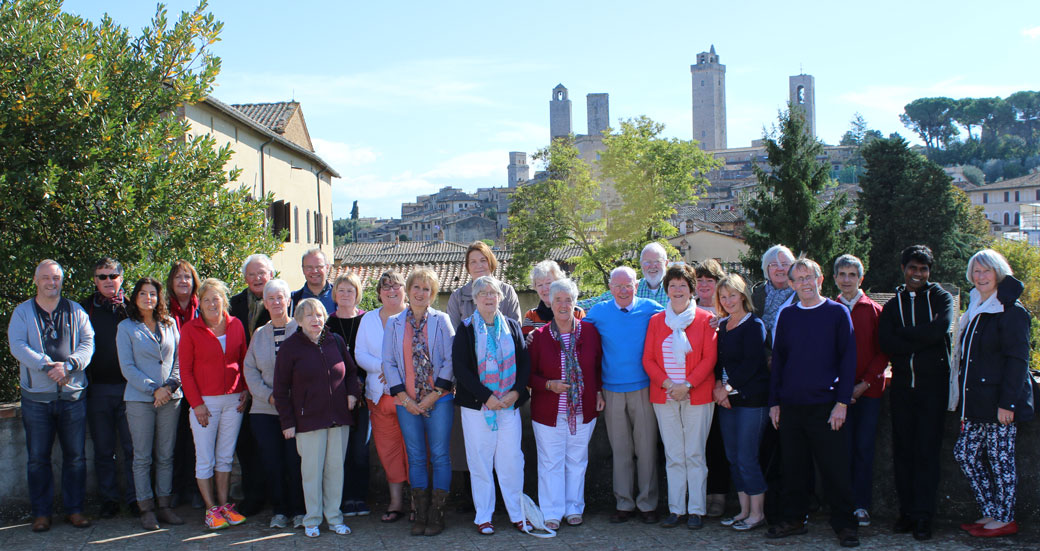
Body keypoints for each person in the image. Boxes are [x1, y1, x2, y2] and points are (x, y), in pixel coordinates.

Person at [766, 258, 859, 548]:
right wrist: (775, 402)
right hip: (792, 405)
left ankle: (845, 524)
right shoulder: (787, 315)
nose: (805, 283)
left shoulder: (837, 313)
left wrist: (842, 402)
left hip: (826, 405)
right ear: (791, 284)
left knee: (835, 469)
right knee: (794, 468)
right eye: (799, 278)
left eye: (810, 277)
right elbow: (779, 360)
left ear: (820, 280)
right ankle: (795, 519)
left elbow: (848, 360)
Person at [8, 260, 94, 532]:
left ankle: (75, 510)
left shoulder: (76, 310)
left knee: (76, 457)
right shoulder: (22, 312)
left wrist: (68, 365)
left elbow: (88, 343)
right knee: (37, 459)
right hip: (36, 398)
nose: (51, 282)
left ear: (61, 281)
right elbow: (17, 346)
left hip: (72, 397)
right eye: (45, 277)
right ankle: (41, 514)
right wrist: (47, 366)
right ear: (35, 280)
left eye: (56, 277)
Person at [954, 249, 1033, 538]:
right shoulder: (978, 304)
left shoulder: (1011, 310)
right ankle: (992, 510)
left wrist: (1007, 403)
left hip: (999, 403)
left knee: (1001, 461)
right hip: (976, 400)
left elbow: (1018, 361)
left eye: (986, 270)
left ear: (999, 273)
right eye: (976, 271)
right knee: (965, 454)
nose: (980, 276)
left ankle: (1005, 518)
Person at [878, 244, 954, 541]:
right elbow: (886, 343)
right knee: (904, 453)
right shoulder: (892, 304)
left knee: (927, 454)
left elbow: (941, 329)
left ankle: (924, 516)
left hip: (932, 389)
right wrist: (923, 336)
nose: (918, 274)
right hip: (902, 389)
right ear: (903, 269)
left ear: (929, 272)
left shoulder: (941, 298)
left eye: (923, 269)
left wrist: (905, 336)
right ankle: (906, 513)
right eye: (913, 268)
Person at [273, 298, 362, 538]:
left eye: (320, 314)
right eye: (310, 315)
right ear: (299, 320)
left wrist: (353, 393)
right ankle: (311, 519)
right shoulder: (291, 347)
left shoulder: (336, 341)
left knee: (336, 471)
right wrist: (287, 422)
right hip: (308, 420)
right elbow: (280, 389)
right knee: (311, 472)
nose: (316, 320)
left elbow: (351, 371)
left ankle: (334, 518)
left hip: (339, 419)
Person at [585, 266, 664, 524]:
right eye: (617, 286)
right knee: (620, 450)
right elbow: (573, 327)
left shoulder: (651, 307)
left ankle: (648, 504)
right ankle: (624, 503)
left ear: (636, 285)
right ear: (609, 288)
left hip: (643, 388)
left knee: (646, 450)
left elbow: (679, 315)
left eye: (627, 285)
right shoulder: (599, 312)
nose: (622, 290)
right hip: (611, 390)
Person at [453, 276, 531, 535]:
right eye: (483, 293)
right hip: (478, 407)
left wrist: (516, 392)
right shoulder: (466, 329)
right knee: (480, 462)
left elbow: (524, 363)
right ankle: (483, 517)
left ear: (500, 297)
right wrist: (486, 396)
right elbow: (461, 369)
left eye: (493, 293)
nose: (489, 297)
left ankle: (518, 514)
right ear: (475, 299)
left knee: (511, 460)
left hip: (508, 405)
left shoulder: (511, 326)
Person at [642, 264, 717, 529]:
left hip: (697, 394)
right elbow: (648, 359)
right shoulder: (655, 321)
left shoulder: (706, 320)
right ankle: (676, 509)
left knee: (695, 453)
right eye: (672, 285)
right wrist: (667, 384)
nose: (677, 290)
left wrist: (687, 384)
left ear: (691, 290)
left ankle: (696, 509)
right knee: (674, 454)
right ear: (667, 290)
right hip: (665, 396)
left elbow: (709, 358)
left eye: (682, 285)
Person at [445, 241, 520, 510]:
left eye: (483, 260)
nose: (479, 265)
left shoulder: (507, 291)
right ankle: (477, 504)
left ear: (492, 263)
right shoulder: (457, 297)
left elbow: (515, 334)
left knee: (508, 452)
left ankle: (506, 504)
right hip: (473, 387)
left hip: (506, 384)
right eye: (473, 261)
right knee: (475, 450)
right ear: (467, 267)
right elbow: (456, 340)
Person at [383, 267, 455, 536]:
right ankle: (420, 513)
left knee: (439, 455)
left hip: (440, 400)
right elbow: (388, 362)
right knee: (415, 457)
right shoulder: (394, 323)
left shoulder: (442, 321)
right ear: (408, 290)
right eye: (416, 287)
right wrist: (404, 397)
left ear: (433, 294)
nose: (421, 293)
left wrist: (434, 394)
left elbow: (450, 361)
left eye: (427, 289)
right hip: (406, 402)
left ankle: (437, 513)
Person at [529, 278, 604, 529]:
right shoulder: (538, 337)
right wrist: (549, 384)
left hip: (583, 410)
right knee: (550, 462)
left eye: (568, 299)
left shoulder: (590, 332)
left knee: (577, 460)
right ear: (550, 302)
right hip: (548, 411)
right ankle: (551, 511)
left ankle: (573, 508)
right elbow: (528, 375)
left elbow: (597, 367)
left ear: (575, 302)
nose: (563, 304)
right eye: (558, 299)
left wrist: (600, 392)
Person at [179, 278, 249, 530]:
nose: (211, 304)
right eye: (206, 299)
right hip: (205, 403)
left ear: (224, 301)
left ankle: (224, 506)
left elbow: (244, 361)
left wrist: (247, 389)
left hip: (233, 401)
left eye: (216, 298)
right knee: (205, 458)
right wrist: (196, 404)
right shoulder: (190, 329)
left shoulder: (236, 325)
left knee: (225, 457)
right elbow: (185, 371)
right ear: (200, 303)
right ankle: (211, 509)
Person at [116, 277, 184, 530]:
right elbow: (127, 367)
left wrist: (169, 387)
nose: (148, 298)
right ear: (135, 298)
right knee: (142, 457)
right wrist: (153, 389)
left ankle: (165, 505)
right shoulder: (126, 327)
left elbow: (180, 358)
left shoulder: (169, 324)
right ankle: (146, 508)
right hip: (139, 399)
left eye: (153, 294)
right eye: (143, 294)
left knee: (166, 455)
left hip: (170, 398)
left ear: (159, 298)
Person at [242, 279, 306, 529]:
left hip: (296, 411)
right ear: (265, 304)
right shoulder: (259, 335)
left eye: (281, 297)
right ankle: (280, 511)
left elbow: (309, 369)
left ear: (289, 301)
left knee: (296, 461)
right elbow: (249, 370)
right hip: (264, 410)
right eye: (272, 299)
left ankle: (300, 510)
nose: (277, 302)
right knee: (273, 462)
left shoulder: (301, 331)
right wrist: (269, 396)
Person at [833, 254, 888, 528]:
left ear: (861, 279)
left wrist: (863, 384)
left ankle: (861, 505)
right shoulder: (830, 309)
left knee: (864, 449)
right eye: (841, 274)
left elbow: (882, 353)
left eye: (851, 275)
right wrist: (842, 389)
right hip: (838, 394)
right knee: (840, 450)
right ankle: (842, 504)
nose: (846, 280)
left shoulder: (875, 311)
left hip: (869, 393)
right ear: (834, 278)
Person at [79, 257, 136, 518]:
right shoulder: (83, 309)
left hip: (130, 390)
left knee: (133, 450)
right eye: (102, 276)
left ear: (121, 278)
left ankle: (137, 499)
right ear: (95, 281)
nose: (108, 281)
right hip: (98, 390)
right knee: (103, 451)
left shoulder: (133, 307)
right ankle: (109, 500)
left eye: (112, 275)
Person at [712, 275, 769, 531]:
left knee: (747, 457)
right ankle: (744, 511)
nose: (728, 301)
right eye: (723, 297)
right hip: (727, 402)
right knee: (733, 457)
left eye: (732, 295)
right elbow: (718, 364)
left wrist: (727, 388)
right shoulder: (723, 326)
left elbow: (752, 364)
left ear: (743, 295)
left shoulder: (754, 325)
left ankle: (757, 514)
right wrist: (718, 387)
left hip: (750, 401)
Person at [354, 270, 410, 523]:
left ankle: (420, 501)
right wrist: (384, 367)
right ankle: (396, 502)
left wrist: (397, 372)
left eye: (396, 285)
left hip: (410, 397)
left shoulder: (414, 316)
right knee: (389, 451)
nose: (391, 290)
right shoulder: (368, 320)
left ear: (404, 290)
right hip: (379, 398)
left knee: (416, 449)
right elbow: (359, 354)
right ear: (378, 294)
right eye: (385, 287)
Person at [228, 254, 273, 517]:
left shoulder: (280, 301)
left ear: (271, 275)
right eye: (252, 274)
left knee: (273, 444)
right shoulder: (232, 304)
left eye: (263, 273)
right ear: (245, 278)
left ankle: (277, 495)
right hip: (240, 386)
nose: (258, 278)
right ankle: (253, 496)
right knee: (246, 445)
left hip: (271, 387)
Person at [324, 272, 371, 518]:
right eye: (340, 290)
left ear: (357, 294)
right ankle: (342, 498)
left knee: (360, 450)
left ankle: (360, 497)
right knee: (338, 451)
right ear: (334, 294)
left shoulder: (368, 321)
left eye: (350, 291)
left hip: (364, 395)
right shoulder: (327, 324)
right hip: (336, 397)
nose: (345, 295)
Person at [694, 258, 730, 517]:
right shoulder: (686, 310)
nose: (705, 285)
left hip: (722, 390)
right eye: (700, 280)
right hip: (693, 388)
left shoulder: (728, 312)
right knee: (695, 445)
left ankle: (717, 495)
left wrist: (723, 385)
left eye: (710, 280)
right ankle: (694, 496)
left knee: (718, 443)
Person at [165, 260, 202, 508]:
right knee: (174, 439)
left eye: (187, 277)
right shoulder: (163, 310)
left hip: (199, 383)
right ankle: (175, 489)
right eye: (178, 277)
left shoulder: (205, 308)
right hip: (172, 384)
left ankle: (196, 490)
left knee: (197, 440)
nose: (183, 282)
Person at [579, 242, 670, 308]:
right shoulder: (633, 288)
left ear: (666, 263)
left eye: (657, 261)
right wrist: (567, 304)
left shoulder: (676, 289)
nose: (652, 266)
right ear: (641, 264)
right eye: (647, 262)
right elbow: (598, 301)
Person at [750, 244, 798, 346]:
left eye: (785, 264)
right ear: (766, 268)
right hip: (761, 356)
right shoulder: (755, 295)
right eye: (774, 264)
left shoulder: (801, 295)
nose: (780, 268)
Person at [522, 260, 585, 337]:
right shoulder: (531, 316)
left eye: (548, 283)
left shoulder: (576, 312)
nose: (544, 288)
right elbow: (525, 344)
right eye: (539, 285)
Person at [291, 248, 335, 314]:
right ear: (303, 269)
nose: (314, 271)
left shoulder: (340, 296)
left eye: (318, 267)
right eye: (309, 267)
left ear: (327, 268)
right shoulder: (293, 300)